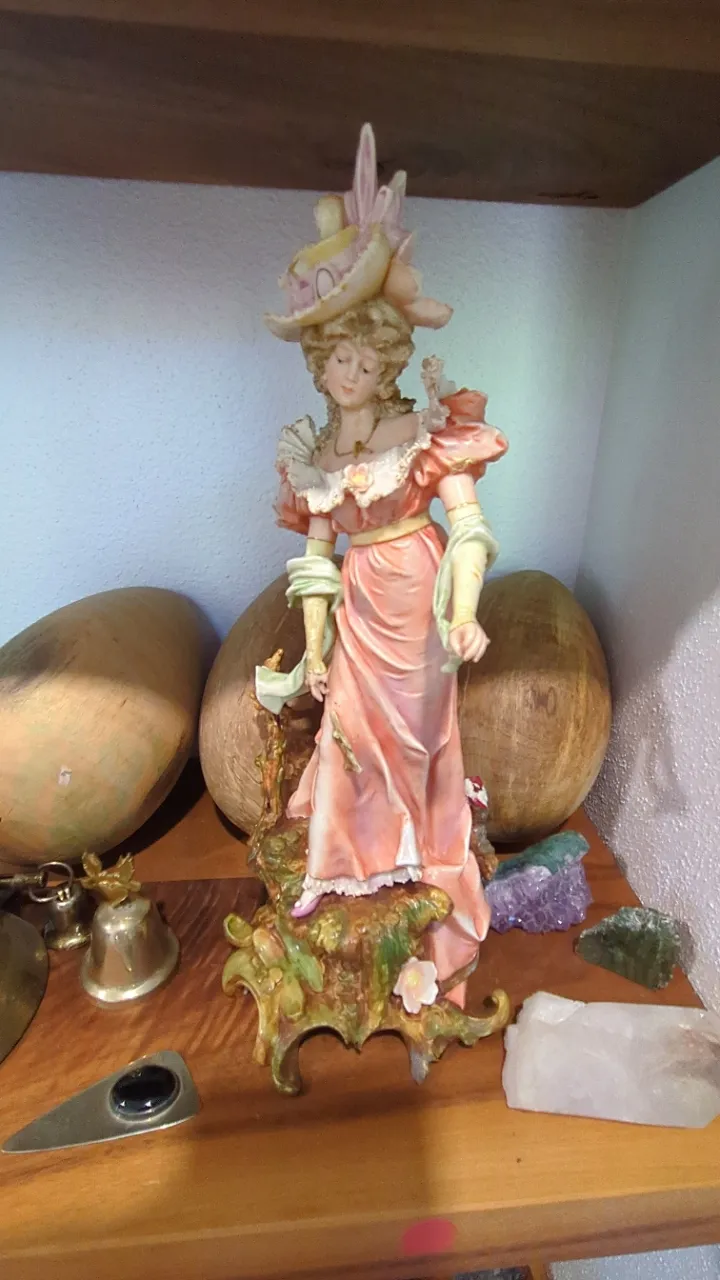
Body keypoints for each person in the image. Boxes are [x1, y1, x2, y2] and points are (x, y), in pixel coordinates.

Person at [258, 128, 507, 1007]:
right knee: (352, 740)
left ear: (389, 357)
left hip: (419, 598)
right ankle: (353, 869)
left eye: (363, 360)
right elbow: (317, 559)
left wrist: (464, 613)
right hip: (360, 605)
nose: (347, 375)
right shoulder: (319, 449)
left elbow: (469, 529)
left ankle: (427, 874)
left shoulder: (424, 432)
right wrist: (315, 648)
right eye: (334, 360)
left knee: (420, 741)